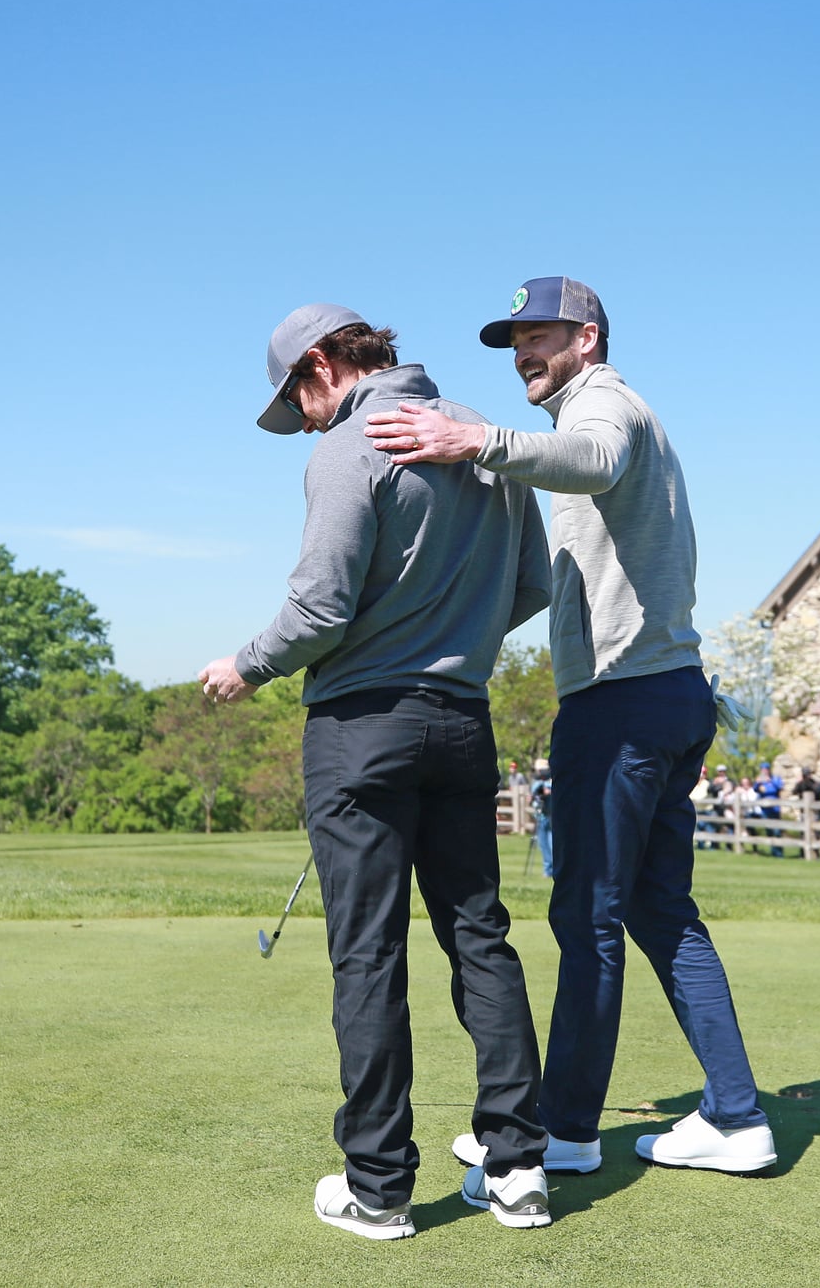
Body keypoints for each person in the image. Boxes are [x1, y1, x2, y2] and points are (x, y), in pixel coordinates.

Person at [366, 275, 775, 1176]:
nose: (523, 353)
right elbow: (550, 587)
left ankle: (566, 1129)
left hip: (621, 703)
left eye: (538, 334)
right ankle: (737, 1116)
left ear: (587, 336)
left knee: (585, 913)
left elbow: (589, 458)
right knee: (661, 910)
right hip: (669, 692)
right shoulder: (597, 412)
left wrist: (470, 437)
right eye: (514, 339)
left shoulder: (605, 406)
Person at [199, 304, 552, 1238]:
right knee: (480, 937)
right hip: (464, 721)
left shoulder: (352, 446)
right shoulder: (479, 438)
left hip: (361, 728)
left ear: (322, 364)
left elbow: (318, 609)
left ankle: (380, 1187)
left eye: (297, 398)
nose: (304, 420)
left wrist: (245, 664)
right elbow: (533, 587)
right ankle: (517, 1169)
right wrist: (453, 639)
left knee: (368, 951)